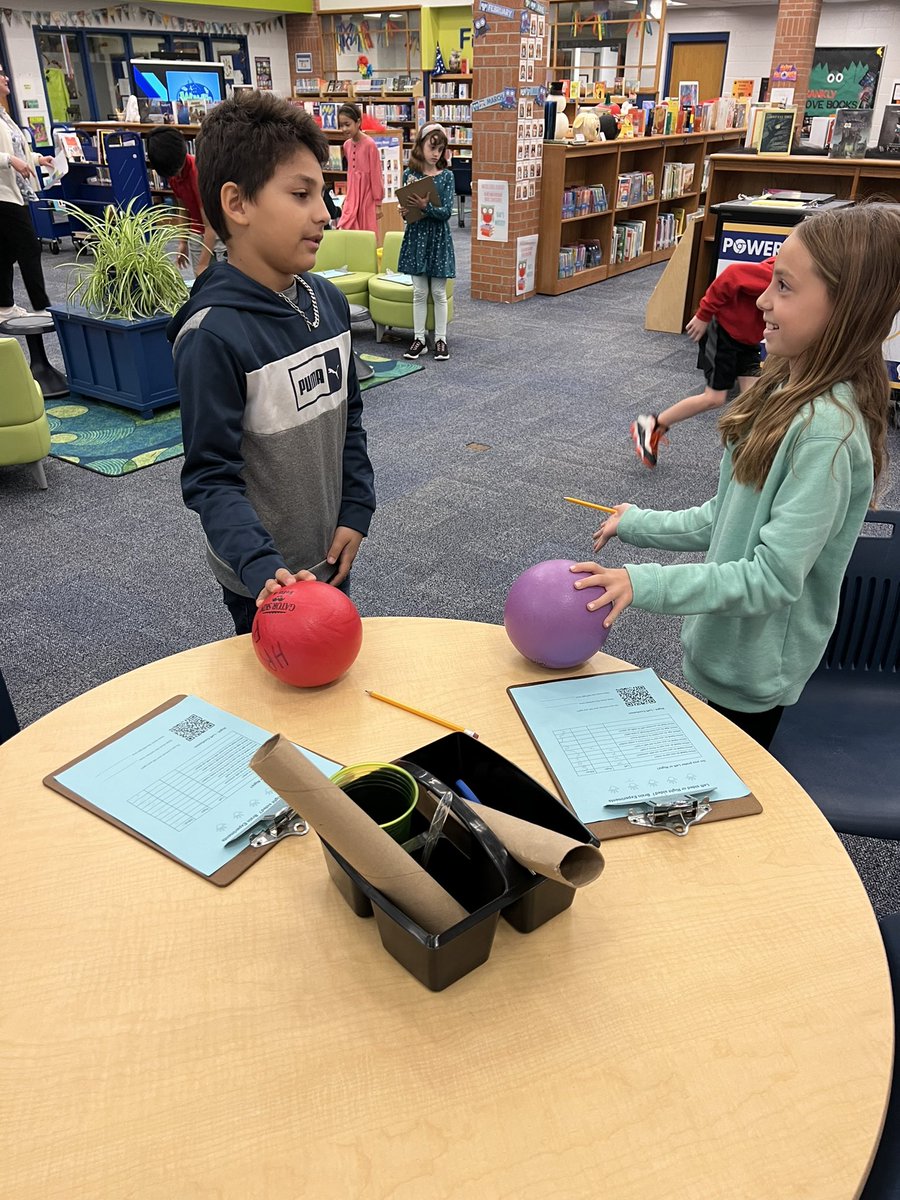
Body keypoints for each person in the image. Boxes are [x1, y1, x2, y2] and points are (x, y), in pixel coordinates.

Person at [571, 203, 900, 749]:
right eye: (770, 280)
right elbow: (725, 517)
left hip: (754, 673)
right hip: (723, 651)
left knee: (724, 797)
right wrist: (638, 522)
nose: (763, 301)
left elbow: (772, 576)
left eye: (786, 288)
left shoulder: (825, 434)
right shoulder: (778, 389)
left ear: (846, 309)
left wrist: (642, 582)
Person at [168, 90, 376, 636]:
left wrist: (356, 507)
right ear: (237, 204)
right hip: (265, 581)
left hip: (331, 551)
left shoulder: (328, 302)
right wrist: (263, 568)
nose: (324, 213)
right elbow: (210, 476)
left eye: (325, 193)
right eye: (301, 194)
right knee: (278, 704)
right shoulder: (212, 336)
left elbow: (349, 416)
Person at [631, 255, 776, 468]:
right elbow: (731, 275)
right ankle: (652, 424)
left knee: (753, 398)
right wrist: (704, 315)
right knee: (714, 398)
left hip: (748, 339)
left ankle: (750, 456)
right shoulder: (775, 274)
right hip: (723, 333)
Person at [397, 122, 455, 362]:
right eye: (431, 147)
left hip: (438, 239)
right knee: (419, 292)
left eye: (440, 149)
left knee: (438, 292)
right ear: (419, 146)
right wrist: (406, 211)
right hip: (416, 236)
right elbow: (408, 209)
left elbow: (446, 213)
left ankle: (440, 339)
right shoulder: (410, 175)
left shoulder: (447, 177)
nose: (435, 153)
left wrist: (426, 207)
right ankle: (419, 339)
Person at [0, 64, 54, 319]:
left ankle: (4, 305)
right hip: (3, 193)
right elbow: (9, 155)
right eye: (0, 73)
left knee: (5, 250)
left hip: (14, 191)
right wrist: (10, 161)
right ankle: (42, 307)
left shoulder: (4, 114)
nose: (6, 77)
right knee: (29, 247)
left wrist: (37, 158)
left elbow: (18, 149)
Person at [146, 127, 217, 276]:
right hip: (197, 229)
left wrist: (203, 265)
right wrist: (182, 242)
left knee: (222, 277)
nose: (175, 176)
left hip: (218, 230)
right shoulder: (173, 175)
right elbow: (183, 209)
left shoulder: (198, 173)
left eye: (176, 170)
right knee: (202, 281)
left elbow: (211, 225)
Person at [335, 102, 383, 236]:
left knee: (367, 232)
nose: (344, 129)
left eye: (347, 124)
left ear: (358, 122)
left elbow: (376, 175)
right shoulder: (346, 145)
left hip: (367, 195)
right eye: (341, 125)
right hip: (352, 194)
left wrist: (378, 203)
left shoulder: (370, 145)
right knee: (348, 228)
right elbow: (351, 174)